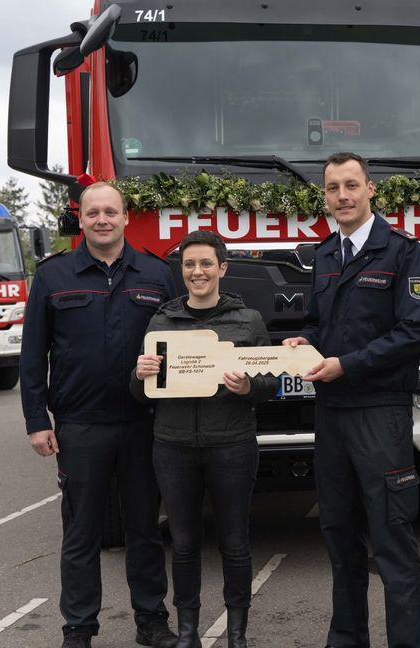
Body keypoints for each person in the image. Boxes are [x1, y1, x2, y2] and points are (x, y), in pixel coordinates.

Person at [283, 152, 420, 648]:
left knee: (392, 538)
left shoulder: (403, 253)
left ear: (370, 190)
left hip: (380, 412)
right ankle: (347, 638)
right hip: (332, 415)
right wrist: (303, 341)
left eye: (351, 185)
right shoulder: (326, 254)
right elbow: (317, 323)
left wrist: (347, 364)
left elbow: (414, 331)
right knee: (339, 535)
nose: (342, 196)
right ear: (325, 195)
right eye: (333, 188)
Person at [20, 181, 179, 648]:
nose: (103, 220)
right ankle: (78, 628)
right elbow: (33, 354)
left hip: (143, 422)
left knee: (145, 530)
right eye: (93, 213)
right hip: (81, 425)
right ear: (81, 219)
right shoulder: (53, 276)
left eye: (111, 211)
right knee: (81, 533)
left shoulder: (156, 273)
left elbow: (180, 341)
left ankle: (151, 621)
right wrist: (36, 421)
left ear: (126, 217)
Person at [131, 230, 278, 648]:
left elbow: (270, 383)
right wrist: (139, 375)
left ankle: (237, 635)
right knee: (183, 544)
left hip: (231, 445)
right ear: (182, 271)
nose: (198, 272)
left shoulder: (247, 321)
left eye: (206, 264)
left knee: (235, 542)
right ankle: (188, 633)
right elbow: (141, 393)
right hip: (173, 447)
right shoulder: (161, 321)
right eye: (190, 264)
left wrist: (249, 387)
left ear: (222, 268)